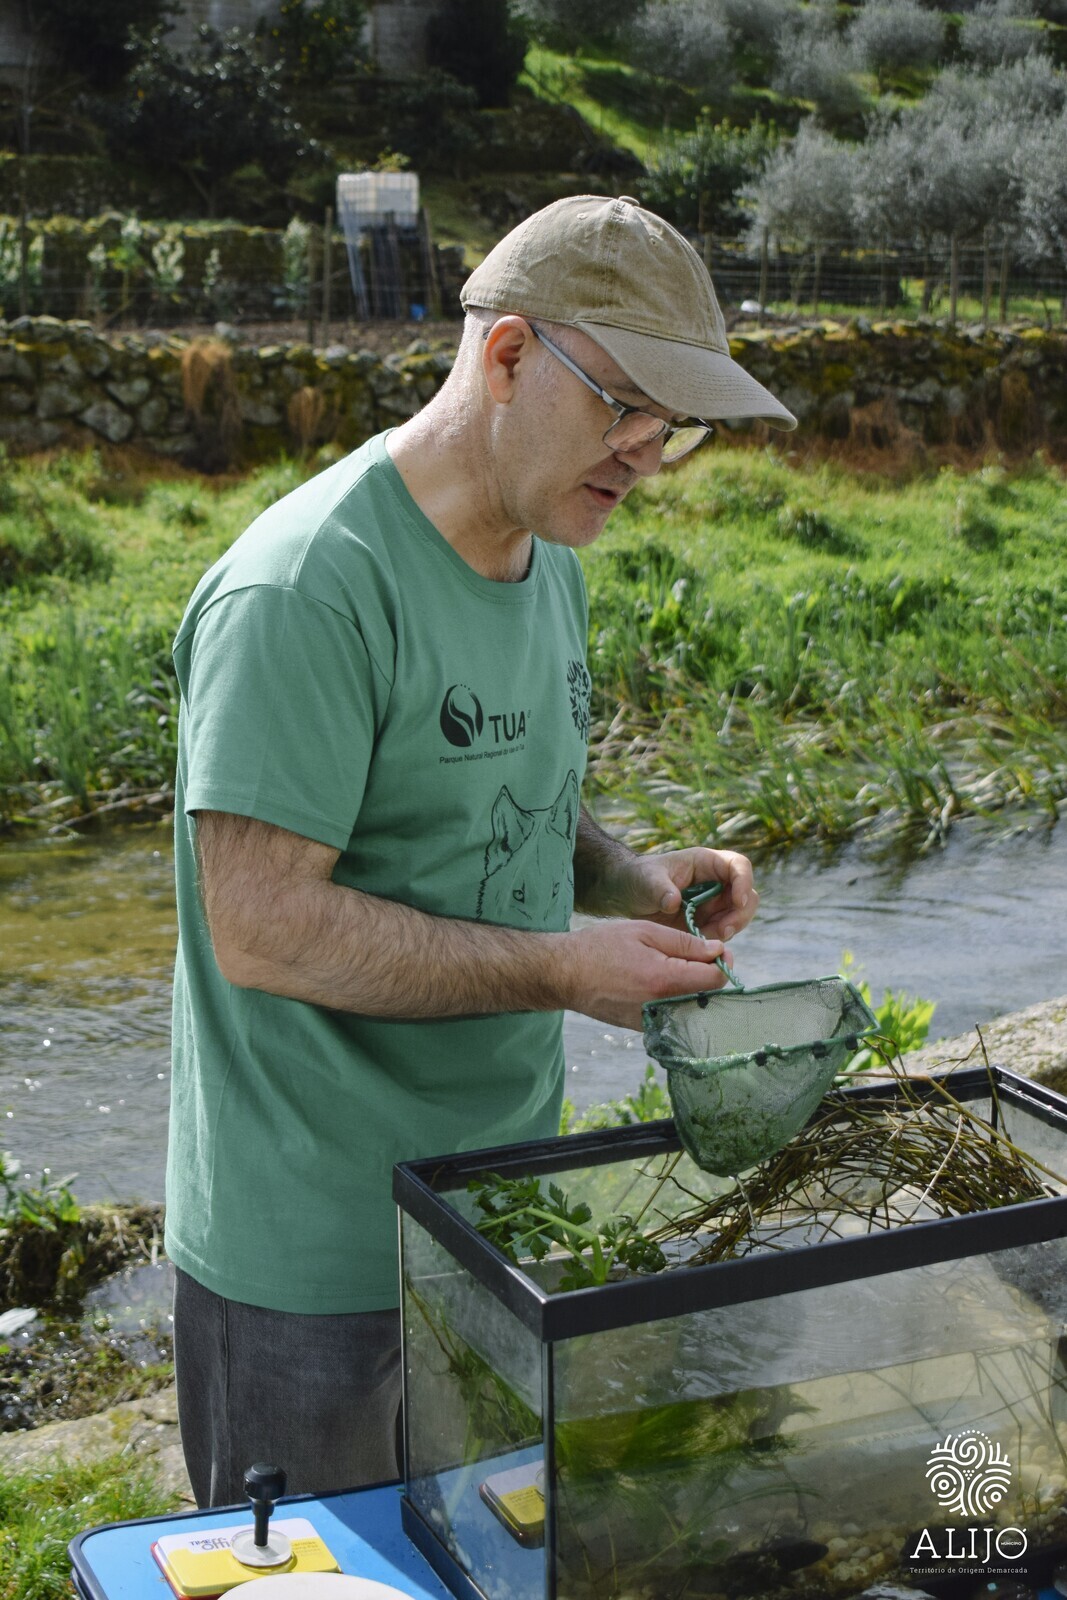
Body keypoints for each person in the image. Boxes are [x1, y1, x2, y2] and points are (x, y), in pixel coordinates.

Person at [166, 193, 797, 1509]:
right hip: (314, 1260)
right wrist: (562, 969)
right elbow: (262, 927)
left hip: (498, 1218)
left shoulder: (548, 554)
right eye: (624, 408)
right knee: (322, 1589)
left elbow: (510, 793)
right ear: (507, 355)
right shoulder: (304, 590)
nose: (645, 456)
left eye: (671, 428)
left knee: (486, 1565)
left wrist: (624, 881)